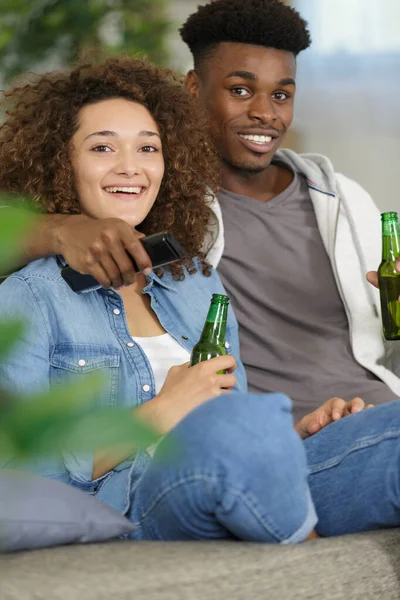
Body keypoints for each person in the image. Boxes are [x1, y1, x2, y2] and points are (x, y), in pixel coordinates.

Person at [0, 56, 399, 542]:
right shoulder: (29, 298)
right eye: (102, 147)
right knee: (237, 428)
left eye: (148, 148)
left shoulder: (195, 281)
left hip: (228, 471)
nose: (131, 167)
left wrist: (287, 440)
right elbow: (21, 470)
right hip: (136, 501)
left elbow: (236, 416)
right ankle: (305, 553)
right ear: (62, 163)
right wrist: (162, 412)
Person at [3, 0, 398, 423]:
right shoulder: (168, 212)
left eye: (281, 94)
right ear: (193, 87)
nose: (265, 112)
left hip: (366, 413)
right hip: (276, 438)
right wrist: (61, 228)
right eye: (240, 90)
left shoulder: (344, 200)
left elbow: (385, 339)